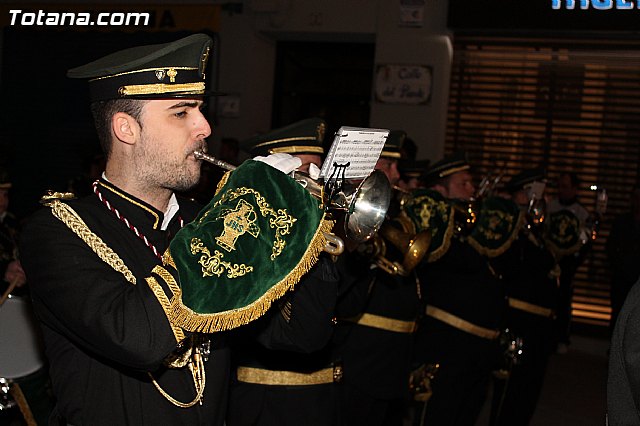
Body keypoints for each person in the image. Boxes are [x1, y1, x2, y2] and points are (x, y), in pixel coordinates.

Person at [19, 34, 231, 425]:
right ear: (126, 129)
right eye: (181, 112)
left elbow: (300, 337)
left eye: (199, 110)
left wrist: (302, 225)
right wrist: (235, 223)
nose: (204, 127)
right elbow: (138, 339)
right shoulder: (55, 231)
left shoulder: (202, 219)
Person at [226, 118, 343, 426]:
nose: (316, 184)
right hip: (265, 403)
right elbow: (297, 336)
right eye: (304, 172)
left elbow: (341, 314)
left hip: (320, 399)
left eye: (319, 172)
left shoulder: (317, 232)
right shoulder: (246, 235)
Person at [333, 130, 423, 426]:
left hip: (390, 355)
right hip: (360, 354)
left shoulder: (395, 215)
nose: (397, 173)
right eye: (389, 163)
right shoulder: (344, 217)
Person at [412, 151, 506, 426]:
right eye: (463, 184)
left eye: (471, 183)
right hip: (446, 347)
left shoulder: (470, 227)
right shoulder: (435, 227)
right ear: (440, 190)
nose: (472, 190)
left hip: (479, 350)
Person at [489, 168, 559, 426]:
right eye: (534, 194)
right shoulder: (511, 229)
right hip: (518, 321)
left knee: (528, 392)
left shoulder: (535, 232)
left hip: (539, 327)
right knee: (509, 393)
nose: (542, 201)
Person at [547, 172, 590, 353]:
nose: (561, 190)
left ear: (575, 189)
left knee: (564, 302)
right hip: (549, 262)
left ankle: (562, 338)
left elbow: (585, 242)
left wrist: (574, 262)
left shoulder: (581, 213)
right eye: (559, 186)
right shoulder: (550, 207)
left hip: (568, 264)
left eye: (565, 186)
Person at [606, 186, 640, 334]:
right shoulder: (622, 222)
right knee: (619, 315)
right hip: (621, 278)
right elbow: (611, 247)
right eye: (636, 198)